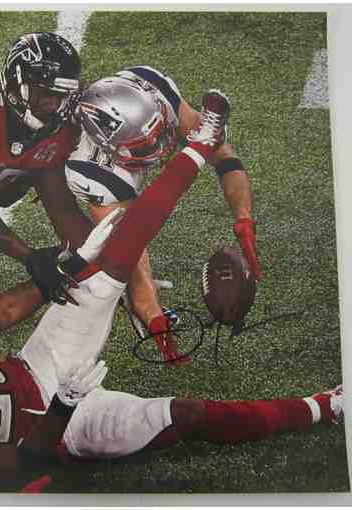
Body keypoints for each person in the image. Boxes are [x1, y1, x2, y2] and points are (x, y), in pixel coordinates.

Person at [0, 89, 343, 491]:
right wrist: (64, 405)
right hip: (61, 427)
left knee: (111, 260)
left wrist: (69, 267)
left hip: (34, 366)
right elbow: (23, 466)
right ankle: (323, 406)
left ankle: (201, 143)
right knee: (187, 416)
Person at [65, 67, 262, 363]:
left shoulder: (153, 88)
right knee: (98, 262)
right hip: (67, 170)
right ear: (110, 147)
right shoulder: (95, 173)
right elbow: (131, 255)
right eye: (145, 145)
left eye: (158, 132)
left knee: (211, 142)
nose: (160, 146)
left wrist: (244, 219)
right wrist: (154, 318)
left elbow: (222, 155)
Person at [0, 32, 92, 267]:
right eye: (47, 93)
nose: (54, 104)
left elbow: (64, 211)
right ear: (17, 85)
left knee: (13, 185)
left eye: (61, 95)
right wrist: (30, 257)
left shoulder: (56, 130)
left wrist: (100, 267)